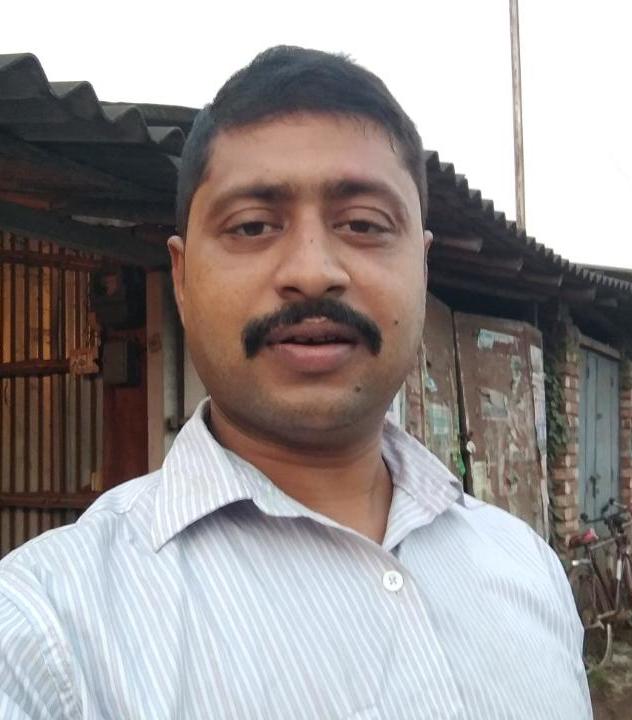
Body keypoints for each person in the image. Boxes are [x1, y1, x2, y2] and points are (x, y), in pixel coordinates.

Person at [0, 46, 591, 719]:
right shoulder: (48, 633)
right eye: (253, 226)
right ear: (183, 280)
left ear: (421, 268)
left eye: (363, 225)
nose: (312, 272)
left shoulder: (526, 568)